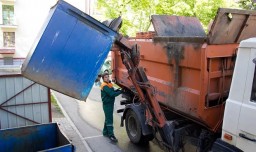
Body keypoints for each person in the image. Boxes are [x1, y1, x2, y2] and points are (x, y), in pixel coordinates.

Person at [100, 72, 122, 142]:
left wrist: (119, 90)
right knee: (109, 119)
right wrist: (121, 92)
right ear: (103, 79)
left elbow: (113, 90)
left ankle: (105, 132)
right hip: (107, 105)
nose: (107, 78)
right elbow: (112, 94)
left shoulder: (109, 84)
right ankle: (111, 135)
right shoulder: (104, 86)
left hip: (110, 104)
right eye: (105, 77)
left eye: (108, 77)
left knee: (107, 118)